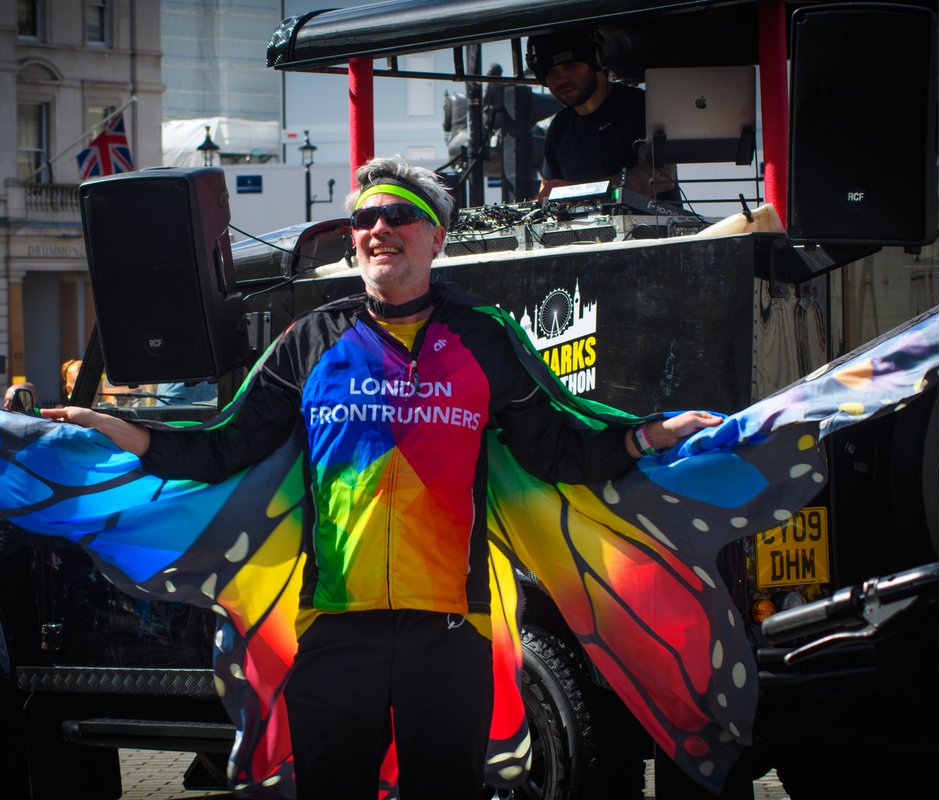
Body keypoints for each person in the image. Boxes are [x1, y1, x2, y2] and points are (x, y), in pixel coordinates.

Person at [41, 155, 720, 798]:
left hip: (451, 631)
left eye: (397, 215)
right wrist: (122, 432)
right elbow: (227, 447)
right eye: (363, 220)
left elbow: (557, 447)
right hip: (334, 629)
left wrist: (647, 435)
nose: (377, 230)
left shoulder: (484, 336)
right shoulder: (312, 340)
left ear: (436, 238)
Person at [527, 29, 678, 202]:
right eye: (551, 72)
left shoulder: (640, 106)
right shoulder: (559, 127)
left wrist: (578, 191)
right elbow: (547, 191)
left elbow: (661, 177)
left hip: (649, 228)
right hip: (581, 230)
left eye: (569, 66)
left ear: (597, 59)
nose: (561, 79)